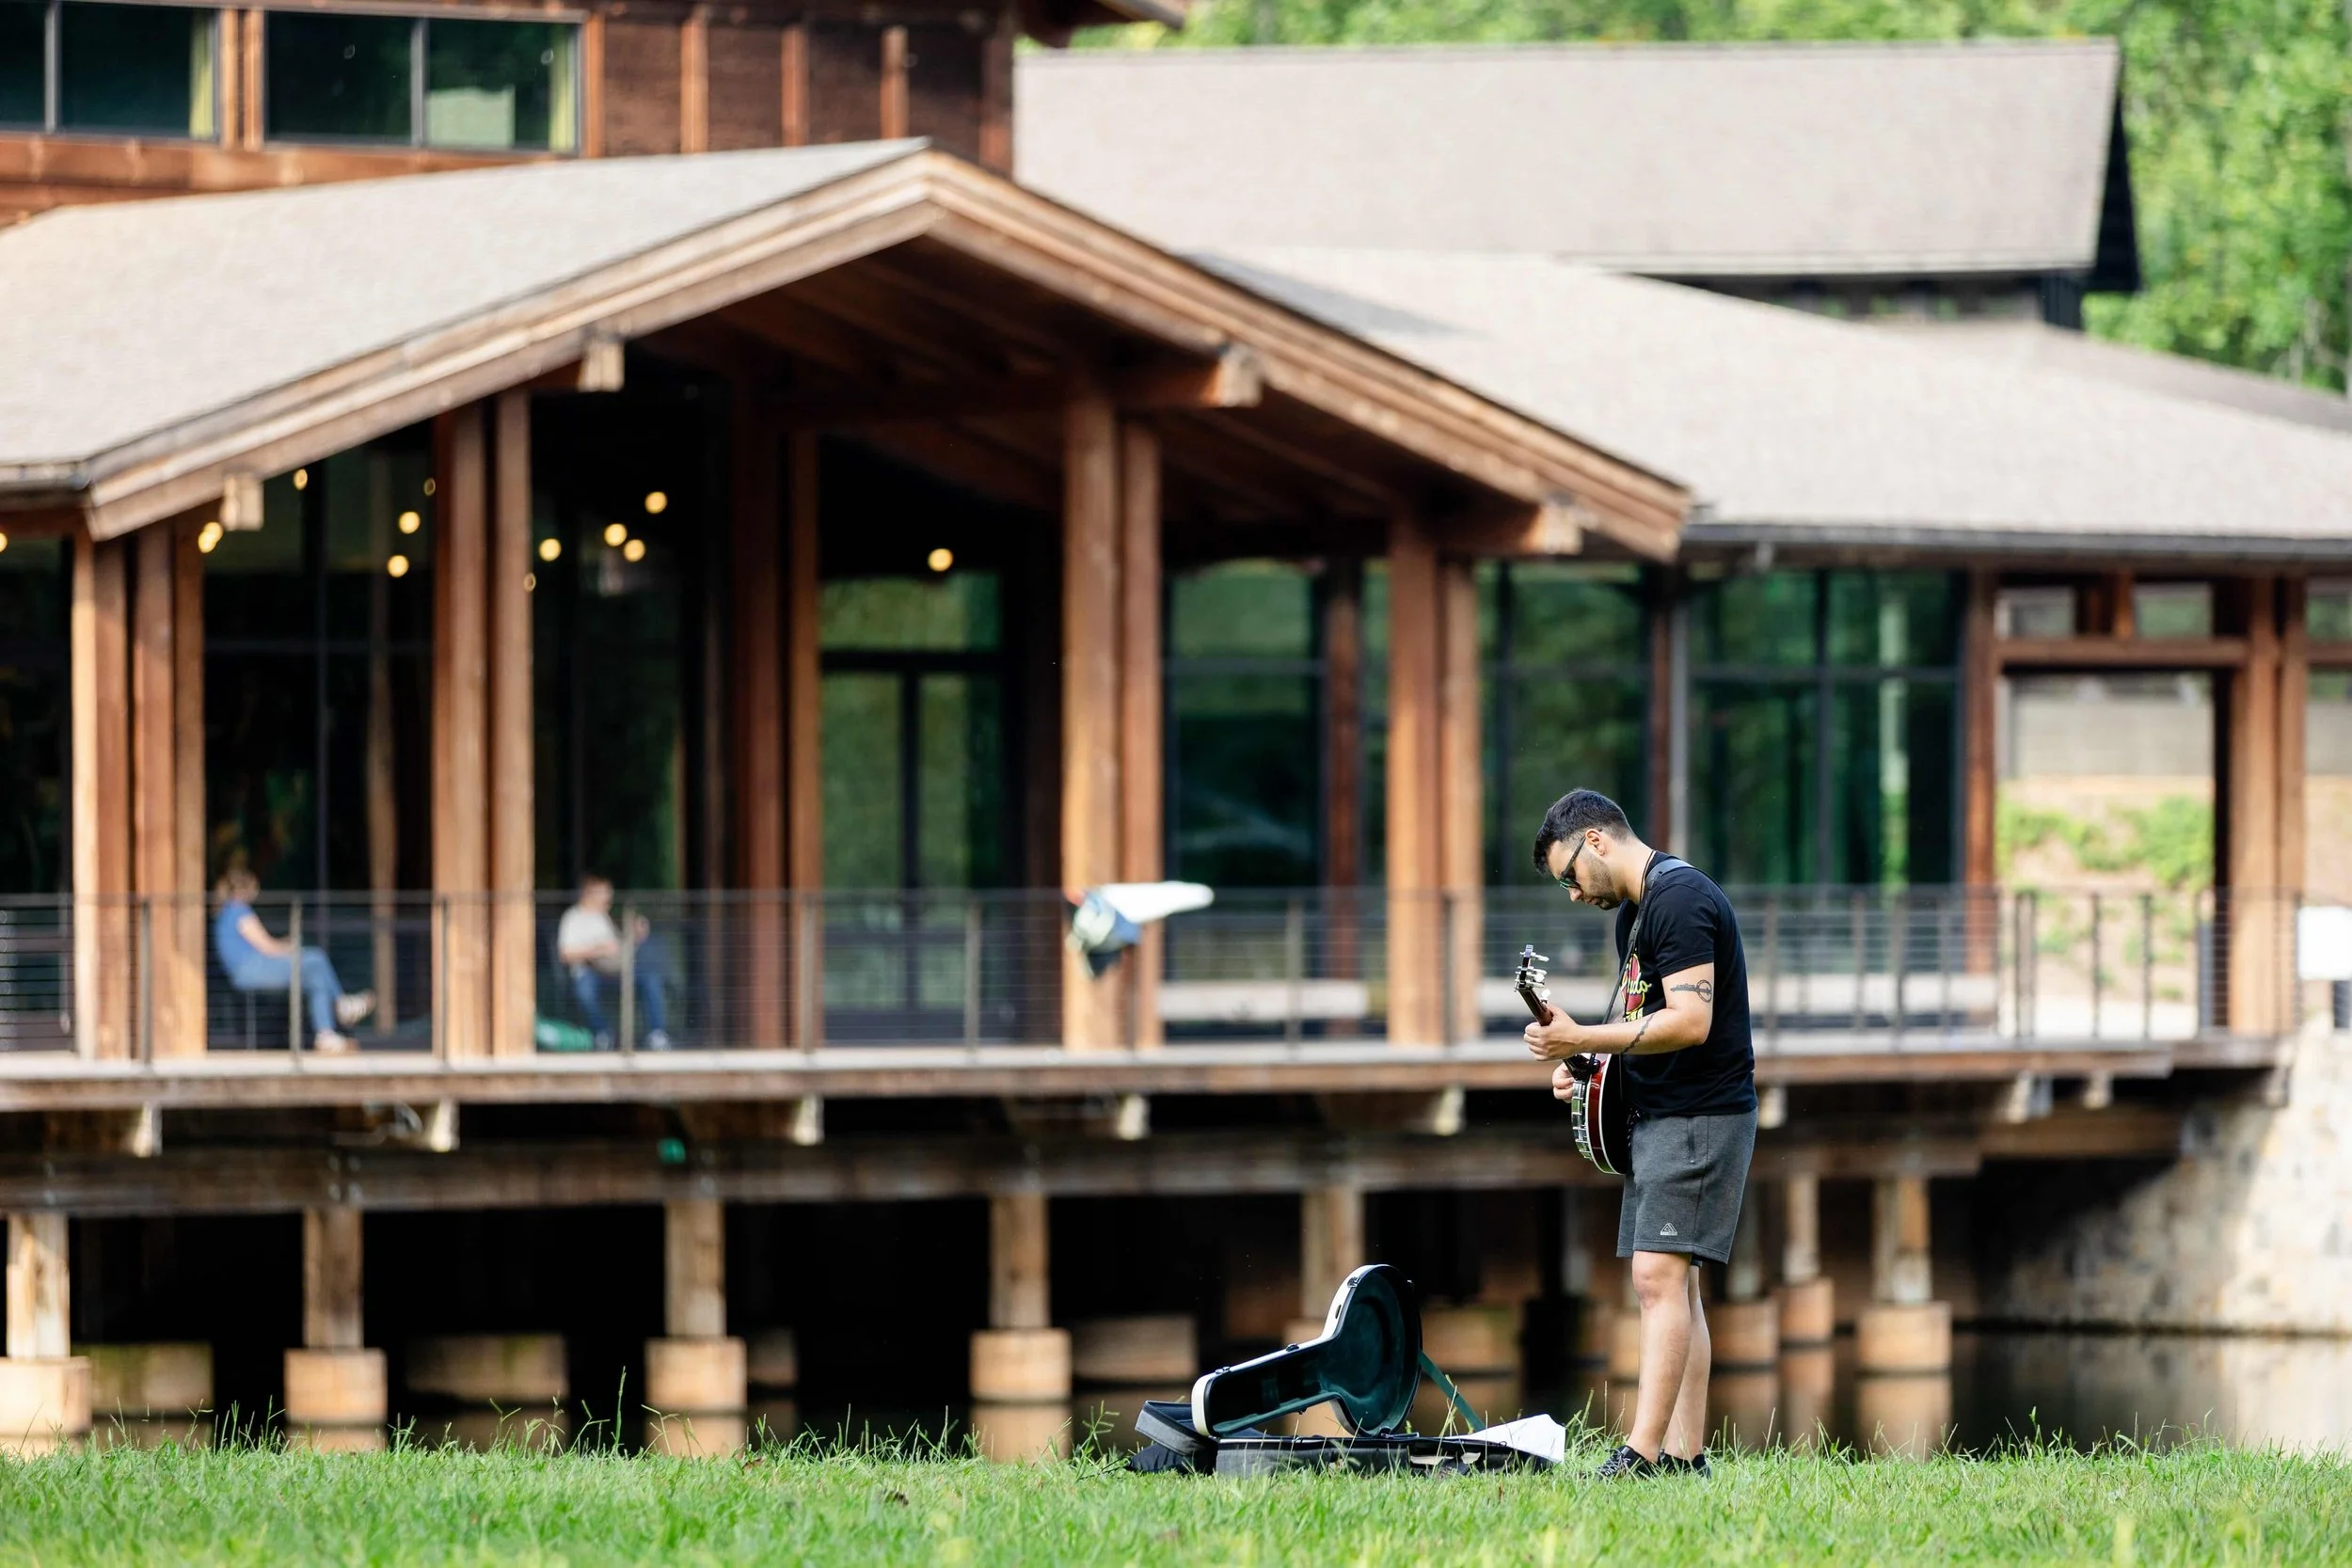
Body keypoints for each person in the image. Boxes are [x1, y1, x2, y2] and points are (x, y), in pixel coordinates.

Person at [1522, 789, 1756, 1480]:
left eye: (1568, 874)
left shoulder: (1679, 900)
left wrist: (1585, 1033)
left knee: (1656, 1278)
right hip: (1664, 1116)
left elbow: (1690, 1021)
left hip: (1700, 1115)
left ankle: (1642, 1454)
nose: (1570, 893)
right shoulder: (1637, 912)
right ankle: (1686, 1457)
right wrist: (1588, 1066)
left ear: (1595, 840)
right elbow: (1644, 1031)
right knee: (1674, 1285)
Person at [212, 868, 375, 1053]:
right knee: (315, 958)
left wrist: (287, 947)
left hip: (248, 969)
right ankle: (340, 1005)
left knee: (314, 976)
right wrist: (291, 947)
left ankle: (326, 1034)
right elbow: (268, 947)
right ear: (244, 889)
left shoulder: (225, 913)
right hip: (252, 970)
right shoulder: (239, 910)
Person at [554, 875, 672, 1051]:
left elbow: (617, 949)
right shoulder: (573, 917)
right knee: (584, 989)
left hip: (614, 973)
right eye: (604, 893)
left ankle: (657, 1034)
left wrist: (635, 935)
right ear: (589, 893)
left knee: (650, 979)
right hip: (589, 972)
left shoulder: (603, 917)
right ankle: (602, 1033)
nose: (608, 898)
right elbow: (565, 954)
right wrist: (597, 950)